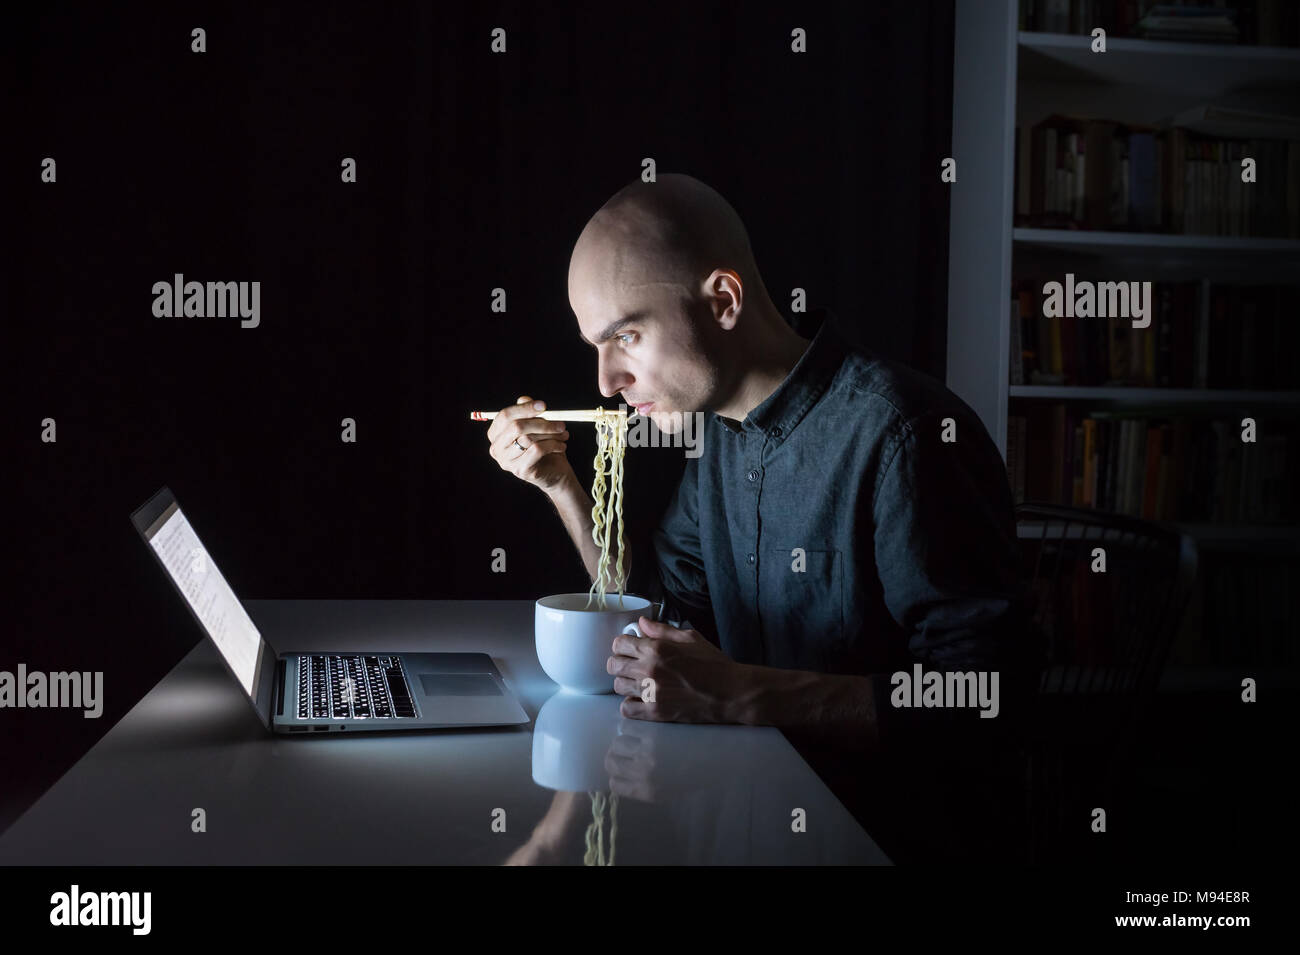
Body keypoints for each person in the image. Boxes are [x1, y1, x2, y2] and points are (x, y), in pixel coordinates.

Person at [483, 173, 1040, 863]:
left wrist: (746, 694)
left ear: (722, 300)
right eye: (595, 344)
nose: (604, 382)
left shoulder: (905, 434)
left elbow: (988, 694)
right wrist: (562, 484)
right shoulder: (718, 431)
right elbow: (657, 618)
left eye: (625, 335)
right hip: (749, 819)